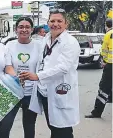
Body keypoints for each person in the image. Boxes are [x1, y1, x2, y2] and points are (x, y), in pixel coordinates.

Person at [21, 9, 80, 138]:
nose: (55, 24)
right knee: (53, 126)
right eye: (52, 21)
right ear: (48, 22)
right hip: (45, 92)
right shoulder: (46, 39)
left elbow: (63, 68)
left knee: (62, 129)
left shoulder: (70, 42)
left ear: (66, 24)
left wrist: (38, 76)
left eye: (59, 21)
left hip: (60, 91)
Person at [0, 17, 43, 138]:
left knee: (29, 125)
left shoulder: (39, 45)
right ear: (16, 29)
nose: (24, 29)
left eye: (27, 27)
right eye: (21, 27)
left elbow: (41, 67)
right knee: (5, 124)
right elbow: (8, 66)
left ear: (32, 29)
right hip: (11, 90)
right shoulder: (10, 45)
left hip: (31, 93)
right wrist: (16, 78)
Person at [85, 18, 112, 118]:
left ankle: (97, 112)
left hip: (110, 64)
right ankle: (111, 98)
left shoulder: (109, 34)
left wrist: (104, 61)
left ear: (106, 25)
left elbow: (104, 49)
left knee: (103, 88)